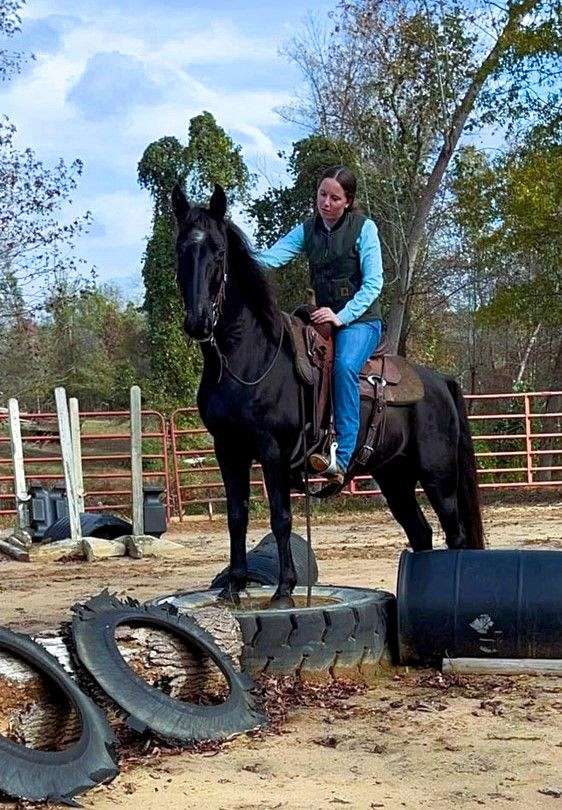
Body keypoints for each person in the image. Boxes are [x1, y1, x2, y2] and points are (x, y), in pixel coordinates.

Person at [258, 165, 383, 484]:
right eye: (322, 195)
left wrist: (340, 316)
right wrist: (230, 252)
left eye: (334, 197)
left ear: (348, 201)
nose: (325, 202)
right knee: (288, 358)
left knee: (343, 367)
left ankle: (342, 458)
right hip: (322, 318)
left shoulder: (364, 228)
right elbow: (271, 258)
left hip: (361, 321)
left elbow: (373, 284)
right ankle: (302, 444)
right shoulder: (307, 229)